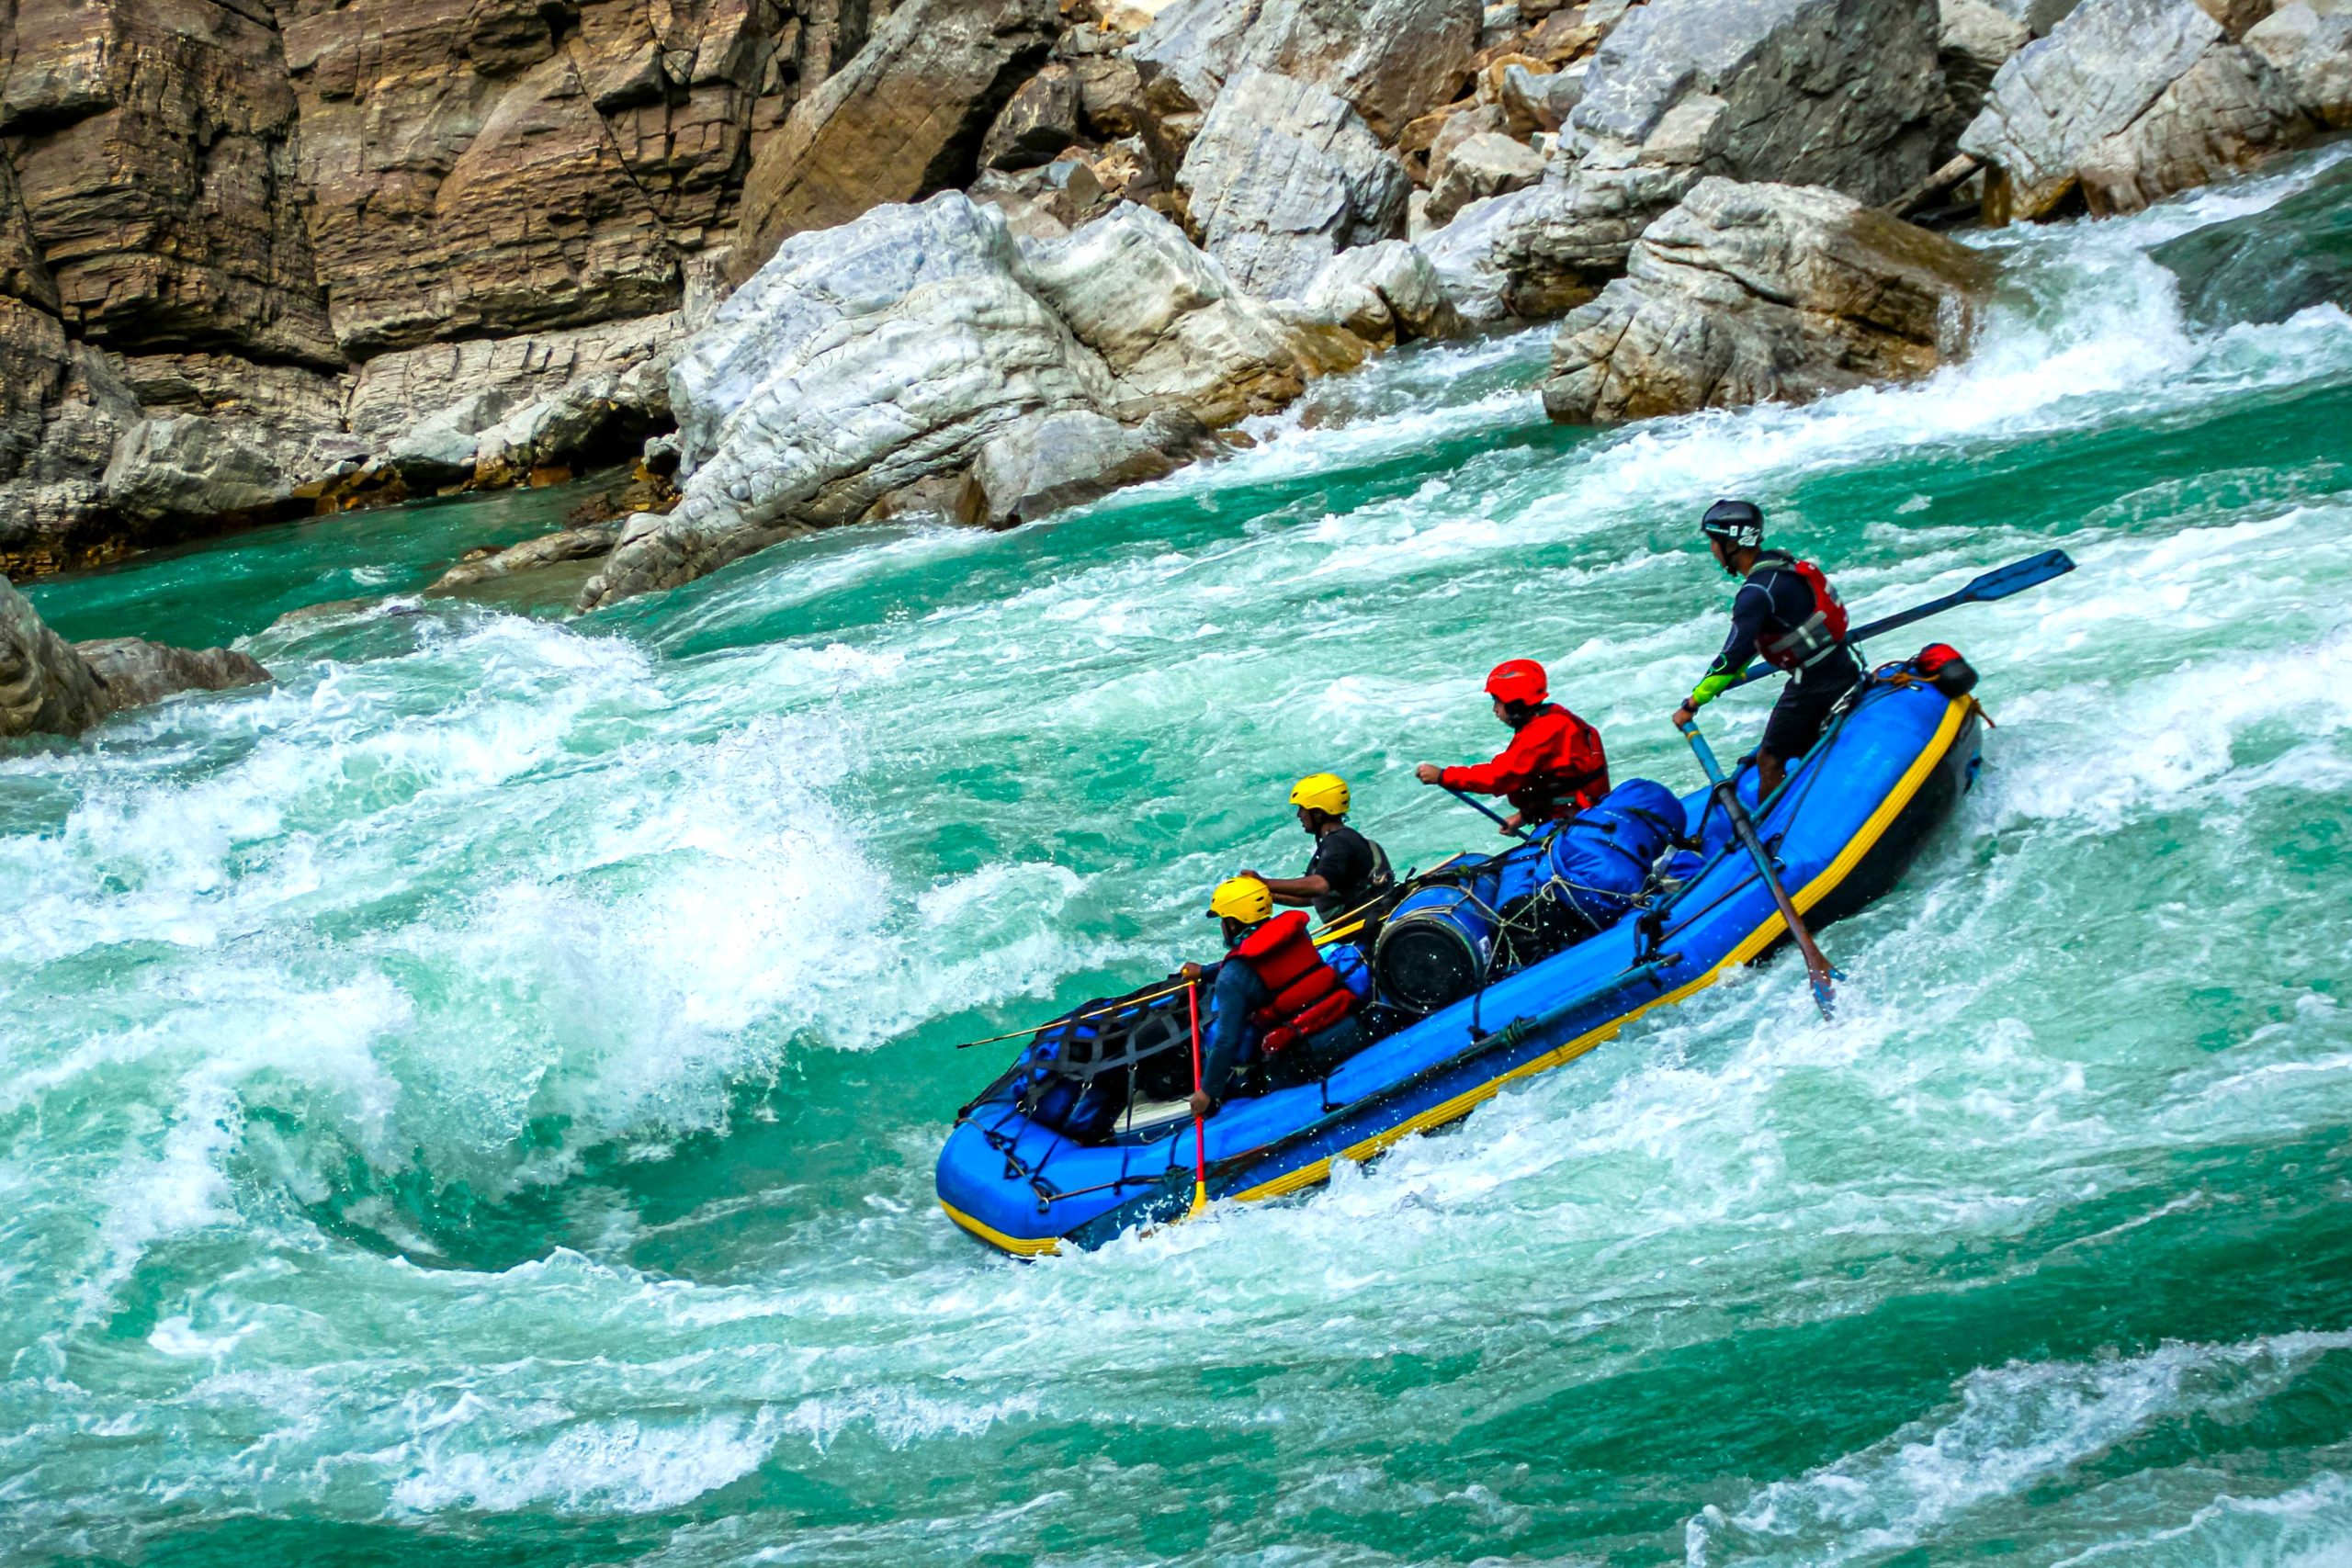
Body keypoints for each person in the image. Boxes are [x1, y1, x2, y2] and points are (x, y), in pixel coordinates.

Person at [1670, 499, 1861, 797]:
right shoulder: (1780, 563)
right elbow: (1756, 644)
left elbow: (1732, 659)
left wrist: (1690, 705)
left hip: (1813, 683)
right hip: (1842, 665)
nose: (1712, 550)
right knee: (1800, 742)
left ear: (1732, 545)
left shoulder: (1754, 594)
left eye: (1713, 542)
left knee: (1768, 759)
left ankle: (1769, 837)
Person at [1184, 874, 1369, 1118]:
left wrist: (1207, 1092)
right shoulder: (1296, 933)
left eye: (1222, 920)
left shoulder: (1232, 976)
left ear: (1232, 924)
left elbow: (1227, 1041)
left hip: (1304, 1057)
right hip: (1349, 1026)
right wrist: (1206, 971)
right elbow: (1262, 959)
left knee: (1241, 1084)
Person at [1412, 659, 1611, 834]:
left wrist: (1443, 776)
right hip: (1575, 812)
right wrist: (1524, 816)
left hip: (1575, 822)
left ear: (1515, 704)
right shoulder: (1551, 719)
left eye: (1497, 701)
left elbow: (1498, 777)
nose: (1495, 709)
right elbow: (1555, 779)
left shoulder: (1545, 731)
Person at [1238, 773, 1396, 936]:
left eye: (1302, 808)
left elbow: (1319, 885)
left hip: (1365, 930)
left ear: (1318, 813)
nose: (1299, 815)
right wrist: (1265, 895)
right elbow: (1312, 896)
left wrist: (1264, 882)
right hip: (1367, 923)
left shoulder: (1338, 842)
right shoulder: (1343, 837)